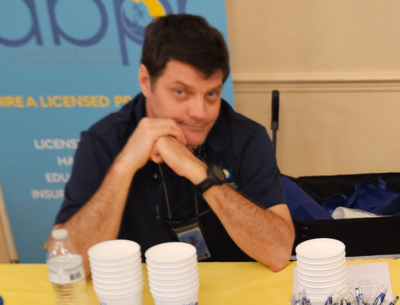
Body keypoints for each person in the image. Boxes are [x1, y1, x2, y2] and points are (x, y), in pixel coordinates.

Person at [54, 14, 294, 271]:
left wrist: (199, 172)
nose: (200, 113)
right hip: (143, 296)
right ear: (146, 82)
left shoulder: (247, 137)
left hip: (233, 294)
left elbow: (278, 252)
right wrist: (123, 166)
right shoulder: (103, 141)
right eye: (181, 92)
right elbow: (69, 264)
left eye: (211, 94)